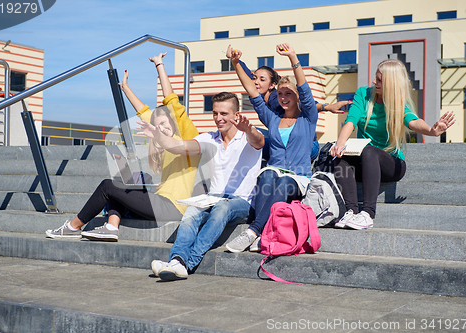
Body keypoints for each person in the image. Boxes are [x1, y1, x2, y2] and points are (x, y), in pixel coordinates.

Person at [45, 53, 200, 241]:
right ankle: (111, 226)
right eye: (158, 125)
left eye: (166, 123)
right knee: (122, 181)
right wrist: (125, 88)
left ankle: (73, 227)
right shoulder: (163, 144)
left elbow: (172, 101)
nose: (161, 128)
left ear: (175, 123)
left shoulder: (188, 139)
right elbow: (144, 112)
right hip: (161, 201)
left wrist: (159, 64)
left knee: (107, 186)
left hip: (172, 206)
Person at [140, 92, 264, 281]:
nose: (218, 118)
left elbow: (258, 141)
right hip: (213, 197)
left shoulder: (247, 136)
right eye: (215, 113)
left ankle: (187, 263)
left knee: (223, 207)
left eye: (224, 113)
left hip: (242, 203)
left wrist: (248, 130)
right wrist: (158, 137)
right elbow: (178, 146)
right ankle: (177, 260)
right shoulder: (209, 139)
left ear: (236, 116)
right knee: (191, 210)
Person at [331, 59, 455, 230]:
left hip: (392, 165)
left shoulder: (397, 103)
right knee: (339, 157)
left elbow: (412, 122)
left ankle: (367, 214)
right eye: (376, 77)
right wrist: (340, 144)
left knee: (369, 152)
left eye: (380, 80)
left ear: (391, 83)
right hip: (365, 163)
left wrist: (431, 131)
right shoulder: (363, 94)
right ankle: (351, 211)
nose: (374, 82)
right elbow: (351, 120)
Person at [225, 43, 318, 253]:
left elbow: (305, 88)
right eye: (281, 93)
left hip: (298, 176)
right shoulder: (273, 119)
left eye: (289, 93)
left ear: (297, 97)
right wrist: (235, 63)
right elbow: (252, 90)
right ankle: (263, 232)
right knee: (267, 176)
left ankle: (254, 230)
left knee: (284, 180)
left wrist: (293, 57)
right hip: (274, 171)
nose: (284, 97)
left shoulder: (308, 118)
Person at [225, 45, 352, 161]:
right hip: (285, 139)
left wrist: (327, 107)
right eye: (254, 78)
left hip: (307, 146)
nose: (256, 82)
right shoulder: (262, 97)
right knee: (245, 131)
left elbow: (303, 103)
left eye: (262, 79)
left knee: (252, 137)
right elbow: (247, 74)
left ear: (272, 85)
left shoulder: (277, 99)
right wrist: (235, 59)